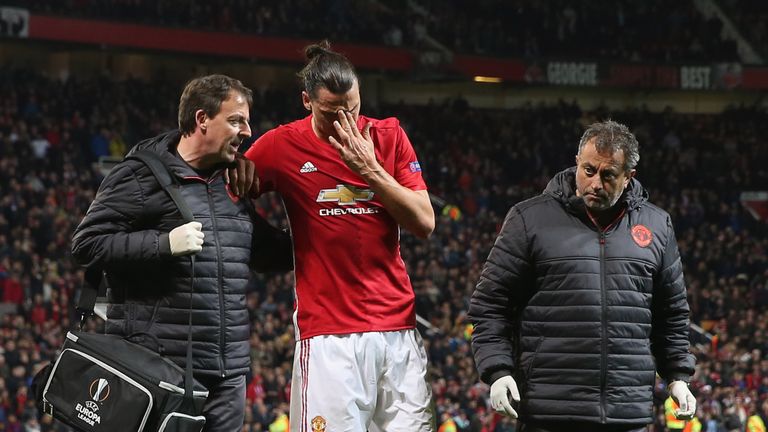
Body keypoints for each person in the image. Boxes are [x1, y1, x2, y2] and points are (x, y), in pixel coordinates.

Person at [71, 74, 292, 431]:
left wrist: (322, 214)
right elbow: (85, 246)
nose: (248, 131)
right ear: (201, 119)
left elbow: (268, 254)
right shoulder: (141, 176)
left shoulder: (231, 182)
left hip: (228, 372)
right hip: (160, 368)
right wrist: (164, 244)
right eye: (236, 120)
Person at [241, 40, 436, 431]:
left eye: (353, 109)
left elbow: (424, 223)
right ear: (307, 101)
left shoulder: (388, 136)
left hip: (398, 330)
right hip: (328, 335)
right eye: (333, 114)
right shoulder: (281, 146)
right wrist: (264, 243)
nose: (345, 122)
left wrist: (370, 170)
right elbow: (228, 187)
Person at [468, 120, 697, 432]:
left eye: (608, 175)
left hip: (626, 414)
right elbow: (490, 305)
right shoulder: (529, 218)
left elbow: (671, 313)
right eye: (588, 170)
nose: (595, 183)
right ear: (577, 162)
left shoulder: (657, 225)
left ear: (629, 177)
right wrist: (497, 370)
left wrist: (677, 377)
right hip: (548, 412)